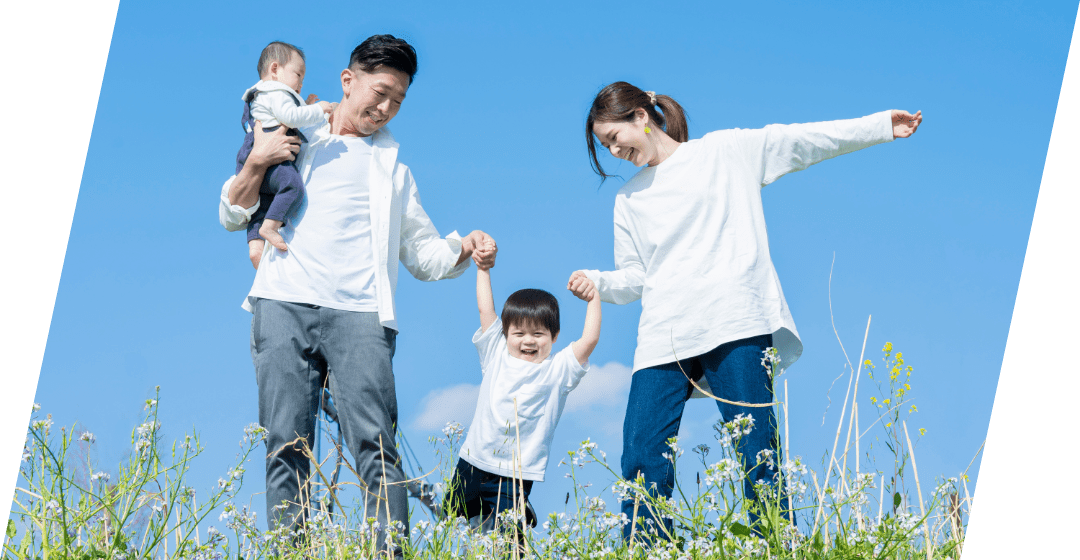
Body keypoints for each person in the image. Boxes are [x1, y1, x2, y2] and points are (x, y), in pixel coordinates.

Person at [567, 81, 922, 540]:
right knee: (640, 453)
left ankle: (774, 545)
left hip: (733, 319)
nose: (614, 152)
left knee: (756, 449)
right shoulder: (629, 199)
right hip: (662, 336)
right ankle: (645, 548)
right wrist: (599, 281)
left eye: (615, 138)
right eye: (605, 147)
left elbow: (801, 141)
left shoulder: (725, 152)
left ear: (640, 116)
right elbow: (635, 277)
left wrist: (877, 127)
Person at [217, 35, 497, 549]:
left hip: (362, 315)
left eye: (398, 101)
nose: (386, 108)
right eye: (381, 92)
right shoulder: (299, 135)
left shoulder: (394, 172)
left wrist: (466, 244)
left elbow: (427, 256)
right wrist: (257, 162)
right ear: (348, 81)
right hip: (283, 302)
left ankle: (389, 549)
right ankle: (289, 550)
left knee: (376, 444)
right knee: (285, 443)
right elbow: (232, 214)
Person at [442, 241, 601, 536]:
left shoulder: (558, 371)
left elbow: (589, 340)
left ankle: (518, 509)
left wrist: (593, 300)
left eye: (538, 333)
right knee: (450, 523)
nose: (528, 340)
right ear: (505, 334)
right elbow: (484, 308)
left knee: (509, 541)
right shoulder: (496, 353)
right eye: (519, 333)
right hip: (472, 461)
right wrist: (483, 269)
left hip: (514, 475)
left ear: (554, 337)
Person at [237, 41, 334, 265]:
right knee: (292, 186)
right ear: (274, 69)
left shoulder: (262, 94)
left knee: (264, 202)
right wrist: (318, 110)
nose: (300, 82)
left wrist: (305, 104)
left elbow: (290, 112)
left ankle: (255, 245)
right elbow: (290, 117)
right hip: (272, 156)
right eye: (298, 74)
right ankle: (270, 227)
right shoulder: (276, 91)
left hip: (250, 156)